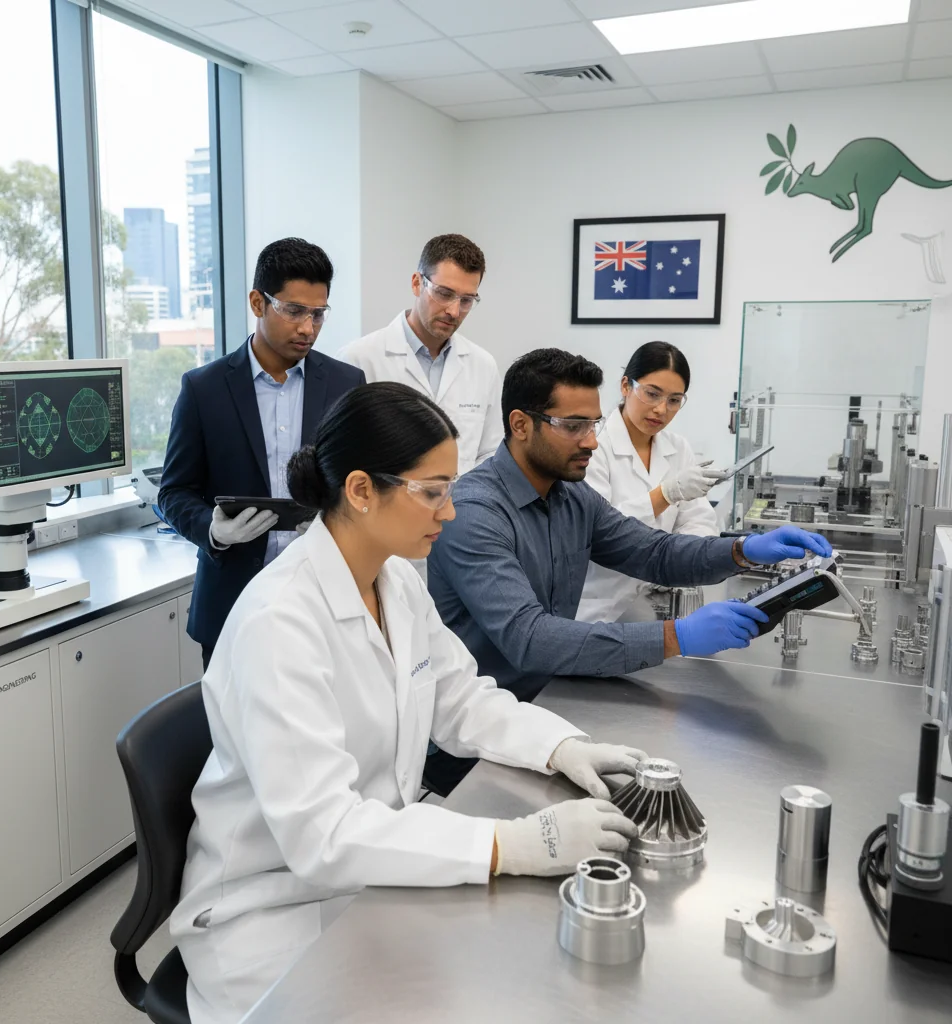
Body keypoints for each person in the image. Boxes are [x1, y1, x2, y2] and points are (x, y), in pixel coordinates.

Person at [170, 382, 650, 1024]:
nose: (448, 513)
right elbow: (323, 834)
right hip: (272, 908)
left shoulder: (392, 578)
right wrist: (511, 844)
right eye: (433, 491)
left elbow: (460, 697)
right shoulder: (279, 622)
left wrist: (562, 745)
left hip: (365, 876)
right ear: (363, 490)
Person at [425, 348, 831, 796]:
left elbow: (654, 551)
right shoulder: (475, 511)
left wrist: (742, 550)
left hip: (546, 705)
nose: (592, 442)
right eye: (573, 426)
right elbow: (531, 639)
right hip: (474, 740)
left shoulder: (569, 497)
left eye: (594, 424)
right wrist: (677, 636)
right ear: (521, 425)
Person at [159, 238, 364, 669]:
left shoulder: (348, 383)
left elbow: (363, 482)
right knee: (234, 735)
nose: (308, 327)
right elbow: (174, 491)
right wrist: (213, 531)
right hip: (233, 603)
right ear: (258, 302)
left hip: (326, 598)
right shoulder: (203, 389)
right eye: (294, 310)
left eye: (319, 313)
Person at [578, 341, 721, 623]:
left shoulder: (678, 448)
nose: (660, 409)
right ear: (625, 386)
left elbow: (699, 520)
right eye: (652, 394)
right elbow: (598, 532)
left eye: (674, 400)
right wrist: (665, 494)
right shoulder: (594, 446)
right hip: (598, 607)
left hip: (658, 603)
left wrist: (675, 564)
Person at [338, 234, 502, 477]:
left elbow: (490, 452)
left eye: (466, 300)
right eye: (444, 293)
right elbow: (343, 453)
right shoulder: (359, 359)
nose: (454, 311)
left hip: (461, 509)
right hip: (385, 511)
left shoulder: (483, 365)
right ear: (417, 283)